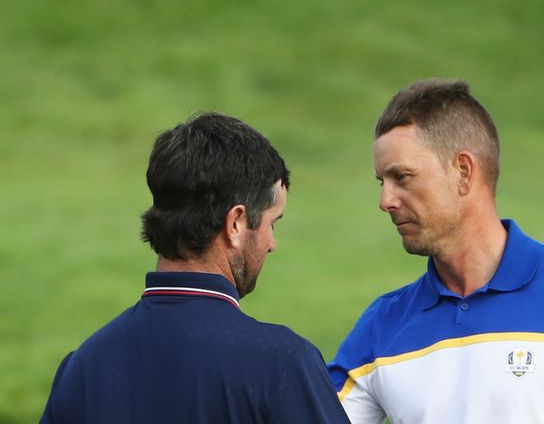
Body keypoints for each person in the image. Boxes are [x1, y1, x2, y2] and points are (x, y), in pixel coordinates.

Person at [328, 79, 544, 423]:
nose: (385, 201)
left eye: (402, 177)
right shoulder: (381, 326)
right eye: (382, 182)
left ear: (463, 172)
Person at [41, 112, 350, 424]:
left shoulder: (83, 368)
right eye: (273, 223)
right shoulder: (281, 363)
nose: (271, 244)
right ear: (236, 223)